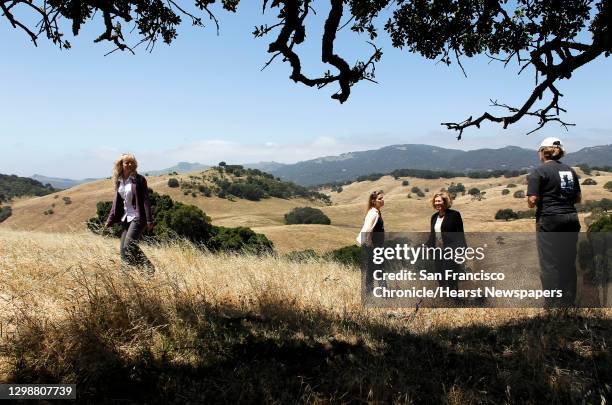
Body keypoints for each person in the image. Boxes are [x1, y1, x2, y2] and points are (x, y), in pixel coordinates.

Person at [527, 137, 581, 307]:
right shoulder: (570, 171)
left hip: (550, 219)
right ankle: (569, 303)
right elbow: (578, 198)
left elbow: (533, 200)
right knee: (568, 262)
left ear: (543, 152)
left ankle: (551, 305)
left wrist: (531, 199)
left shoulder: (538, 171)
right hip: (571, 218)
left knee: (549, 263)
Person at [105, 153, 155, 273]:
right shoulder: (119, 181)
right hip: (126, 218)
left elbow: (145, 200)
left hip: (138, 218)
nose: (130, 164)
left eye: (132, 162)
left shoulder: (139, 179)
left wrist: (149, 220)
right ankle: (126, 276)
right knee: (123, 250)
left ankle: (149, 268)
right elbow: (116, 202)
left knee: (128, 246)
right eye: (127, 162)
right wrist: (110, 220)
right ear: (121, 165)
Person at [426, 191, 467, 292]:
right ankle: (445, 301)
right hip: (438, 253)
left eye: (439, 201)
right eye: (435, 201)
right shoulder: (434, 217)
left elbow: (460, 234)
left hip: (451, 252)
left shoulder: (454, 215)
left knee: (450, 278)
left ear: (445, 202)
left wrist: (461, 252)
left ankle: (455, 302)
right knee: (440, 278)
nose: (437, 203)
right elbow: (433, 235)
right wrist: (426, 246)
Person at [356, 190, 386, 295]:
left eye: (382, 198)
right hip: (374, 247)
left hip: (373, 246)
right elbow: (367, 229)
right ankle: (385, 294)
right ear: (374, 201)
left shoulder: (374, 211)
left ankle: (368, 292)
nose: (382, 200)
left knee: (371, 269)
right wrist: (369, 244)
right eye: (380, 199)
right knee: (379, 269)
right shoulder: (374, 214)